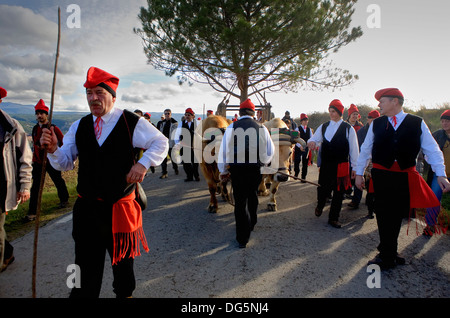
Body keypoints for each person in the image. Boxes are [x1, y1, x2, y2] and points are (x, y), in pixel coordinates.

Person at [40, 67, 169, 297]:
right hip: (87, 210)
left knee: (123, 271)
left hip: (119, 209)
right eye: (89, 93)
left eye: (99, 92)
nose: (93, 98)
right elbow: (65, 163)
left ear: (112, 95)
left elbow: (161, 142)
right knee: (84, 269)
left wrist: (142, 164)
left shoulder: (131, 121)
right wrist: (52, 150)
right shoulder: (79, 126)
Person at [355, 88, 450, 270]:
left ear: (395, 101)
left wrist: (441, 174)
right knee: (383, 214)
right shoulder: (377, 124)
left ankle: (389, 251)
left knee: (397, 214)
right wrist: (359, 173)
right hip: (382, 175)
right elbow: (365, 150)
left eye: (382, 101)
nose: (379, 104)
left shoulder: (417, 122)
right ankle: (387, 254)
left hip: (404, 176)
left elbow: (432, 150)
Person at [218, 99, 275, 248]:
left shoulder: (232, 127)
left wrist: (223, 171)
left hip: (237, 170)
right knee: (253, 194)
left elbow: (224, 152)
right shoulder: (262, 128)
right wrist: (263, 162)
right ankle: (253, 222)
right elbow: (271, 151)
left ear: (240, 112)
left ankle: (242, 238)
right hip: (255, 170)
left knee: (240, 202)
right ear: (253, 112)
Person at [307, 99, 359, 228]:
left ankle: (333, 218)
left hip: (341, 165)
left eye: (333, 111)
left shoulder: (348, 129)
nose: (331, 114)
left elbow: (354, 149)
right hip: (326, 164)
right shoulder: (324, 126)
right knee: (323, 187)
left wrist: (355, 168)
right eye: (330, 111)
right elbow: (314, 138)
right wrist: (312, 142)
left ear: (339, 113)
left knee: (339, 192)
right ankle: (320, 205)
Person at [0, 86, 33, 272]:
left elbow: (25, 158)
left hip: (2, 187)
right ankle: (7, 252)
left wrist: (25, 185)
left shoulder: (11, 127)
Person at [25, 99, 69, 222]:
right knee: (36, 187)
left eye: (42, 113)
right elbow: (35, 145)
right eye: (37, 113)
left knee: (58, 180)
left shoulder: (53, 128)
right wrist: (34, 159)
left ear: (46, 114)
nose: (39, 116)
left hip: (51, 162)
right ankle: (32, 212)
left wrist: (58, 154)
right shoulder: (34, 129)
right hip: (38, 163)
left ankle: (64, 199)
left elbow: (63, 142)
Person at [423, 109, 450, 236]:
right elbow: (426, 148)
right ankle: (430, 225)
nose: (444, 124)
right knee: (434, 198)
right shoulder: (437, 135)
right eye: (443, 121)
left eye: (447, 121)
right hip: (439, 175)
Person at [348, 110, 380, 215]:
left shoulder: (382, 130)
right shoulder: (361, 131)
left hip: (376, 161)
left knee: (373, 184)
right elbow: (359, 147)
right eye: (372, 119)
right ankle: (356, 201)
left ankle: (371, 207)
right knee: (360, 179)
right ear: (368, 119)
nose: (374, 121)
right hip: (363, 158)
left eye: (376, 119)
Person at [174, 108, 200, 181]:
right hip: (184, 146)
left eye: (189, 115)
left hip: (194, 147)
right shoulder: (181, 123)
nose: (187, 116)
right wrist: (179, 143)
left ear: (192, 116)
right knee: (186, 164)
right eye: (186, 115)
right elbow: (177, 135)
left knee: (195, 163)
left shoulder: (197, 123)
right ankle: (189, 177)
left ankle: (196, 176)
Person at [156, 108, 179, 179]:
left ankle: (175, 168)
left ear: (171, 114)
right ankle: (164, 173)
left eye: (168, 113)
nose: (166, 115)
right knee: (163, 159)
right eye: (165, 113)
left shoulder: (175, 123)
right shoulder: (161, 123)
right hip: (163, 144)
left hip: (171, 143)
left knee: (173, 158)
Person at [294, 113, 313, 181]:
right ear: (301, 121)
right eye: (304, 120)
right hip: (298, 147)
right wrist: (300, 146)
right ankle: (296, 172)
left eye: (307, 120)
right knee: (297, 161)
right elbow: (294, 139)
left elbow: (311, 138)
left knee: (305, 163)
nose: (306, 121)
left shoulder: (309, 129)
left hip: (306, 148)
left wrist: (308, 145)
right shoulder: (297, 129)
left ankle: (303, 177)